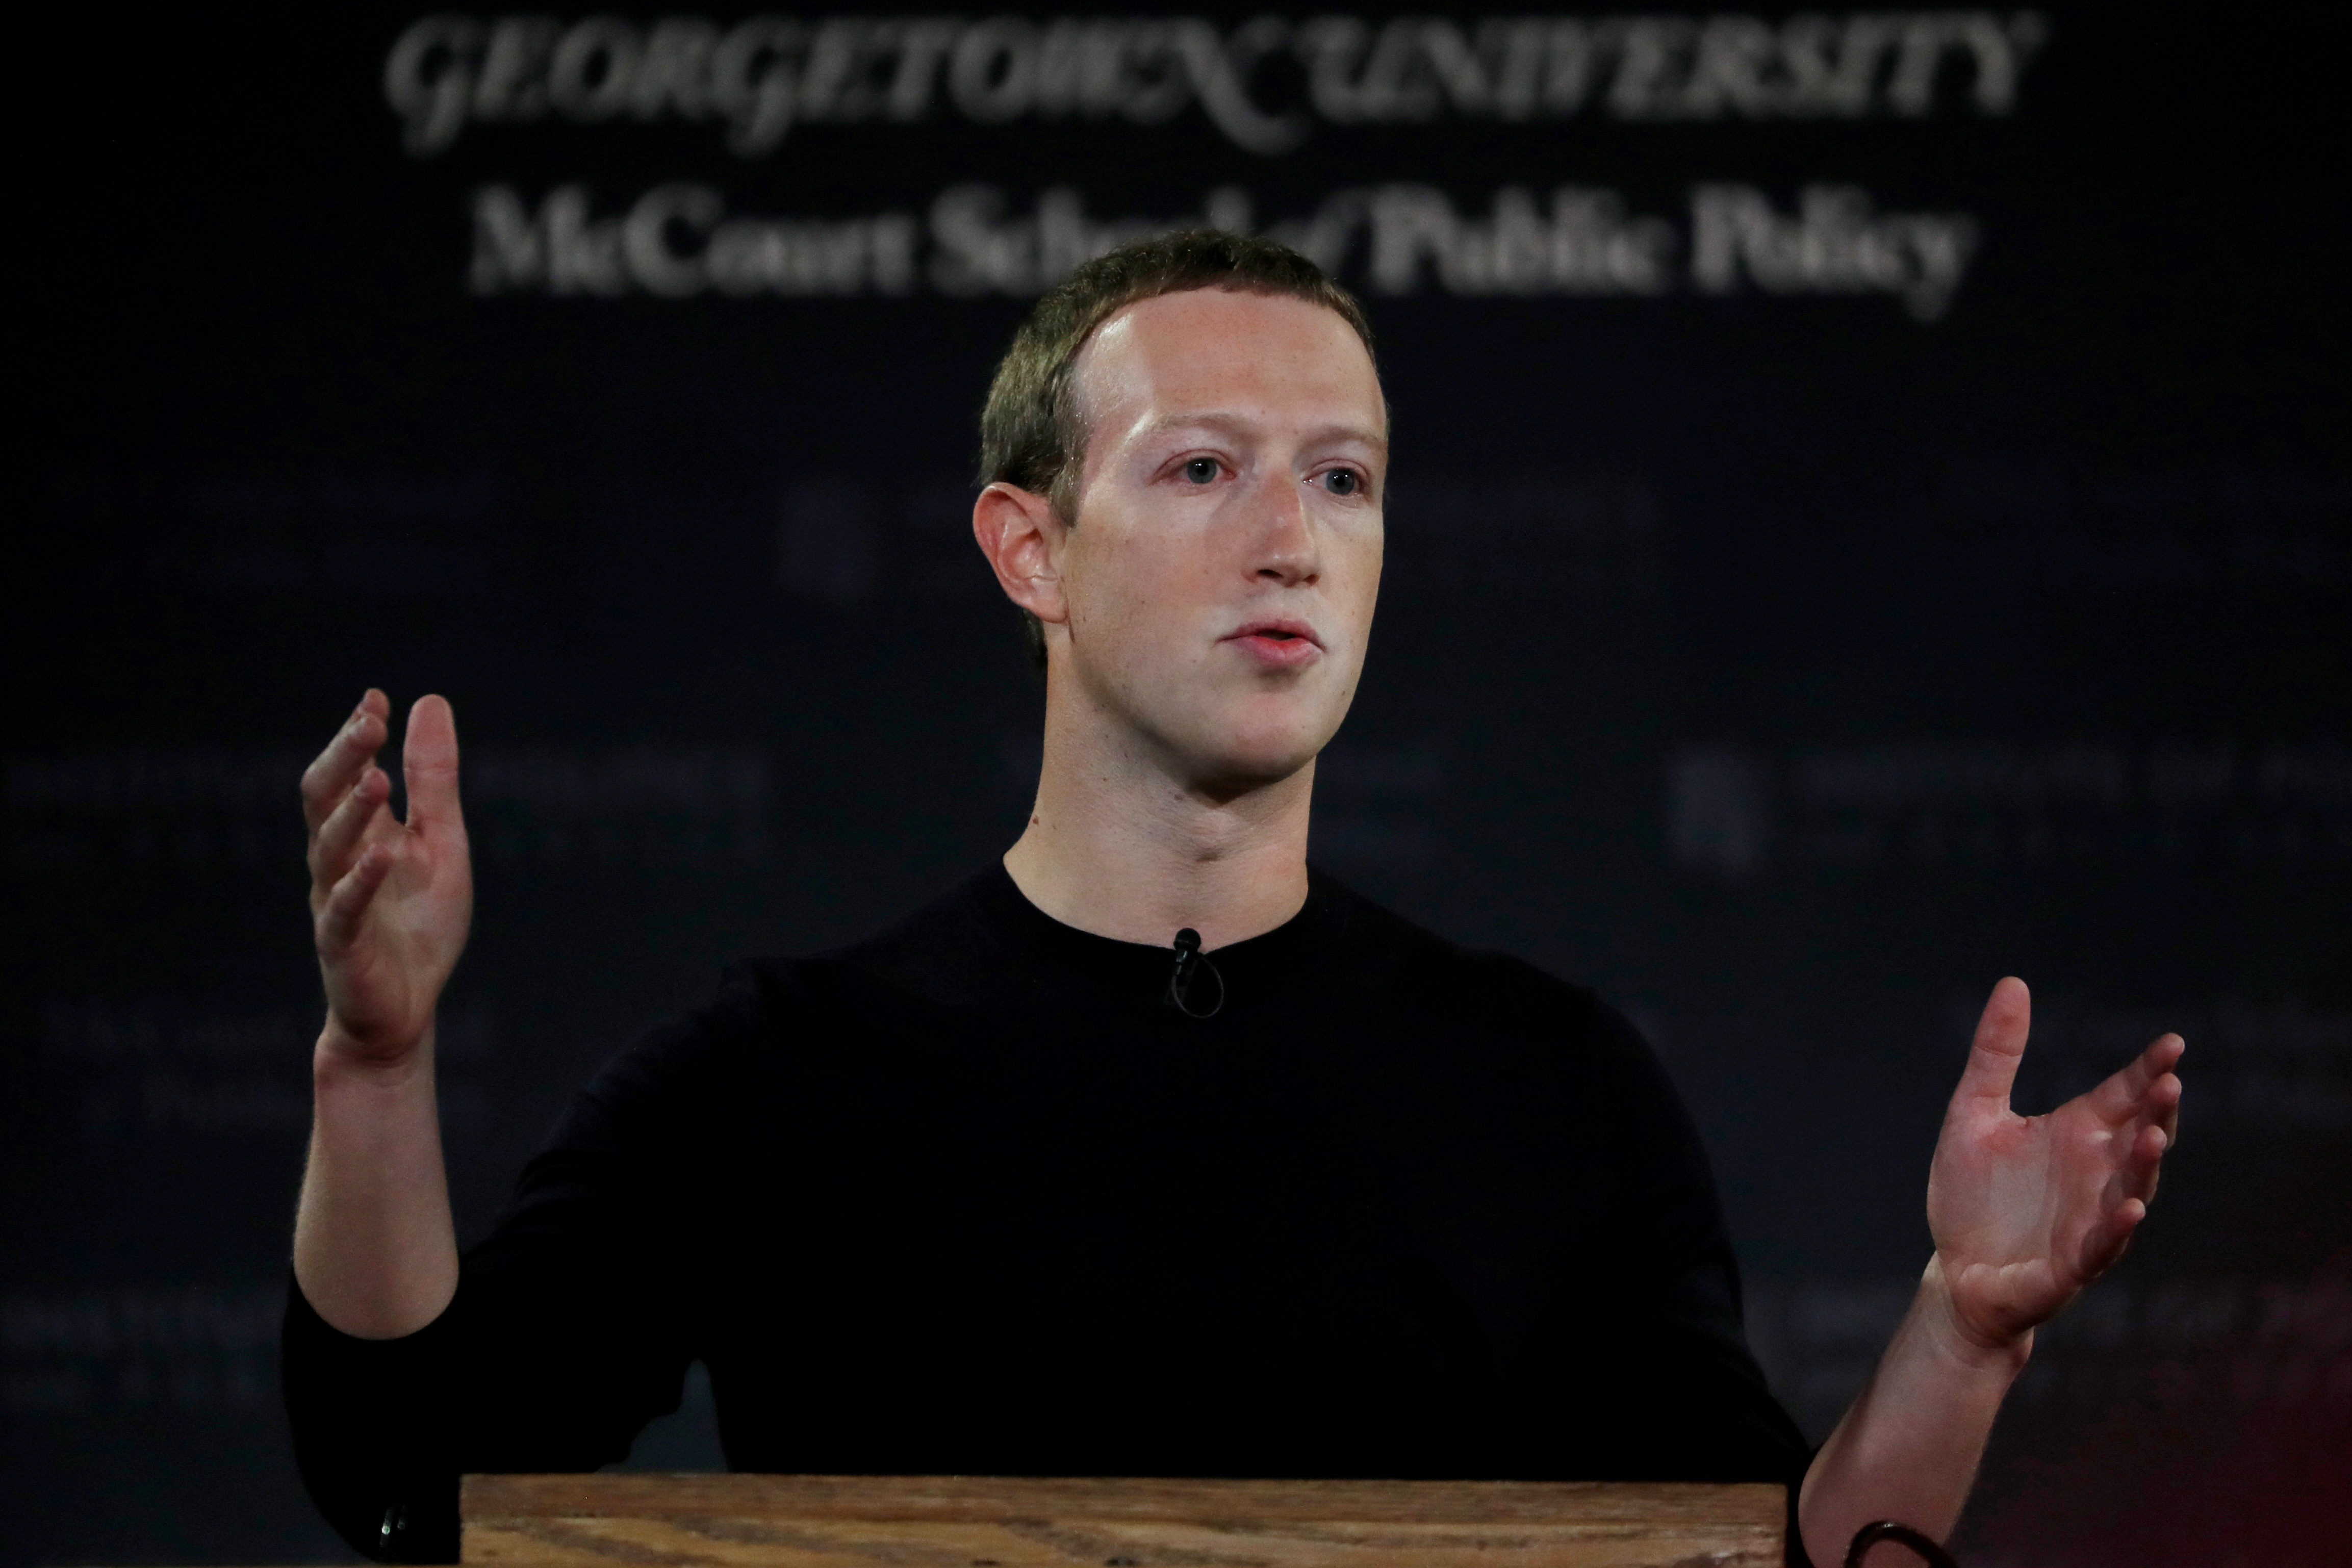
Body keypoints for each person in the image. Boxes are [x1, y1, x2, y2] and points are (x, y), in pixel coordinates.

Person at [283, 231, 2183, 1567]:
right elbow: (401, 1487)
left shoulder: (1546, 1086)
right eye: (1202, 468)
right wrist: (376, 1068)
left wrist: (1959, 1339)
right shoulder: (776, 1072)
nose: (1290, 543)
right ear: (1029, 548)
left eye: (1341, 480)